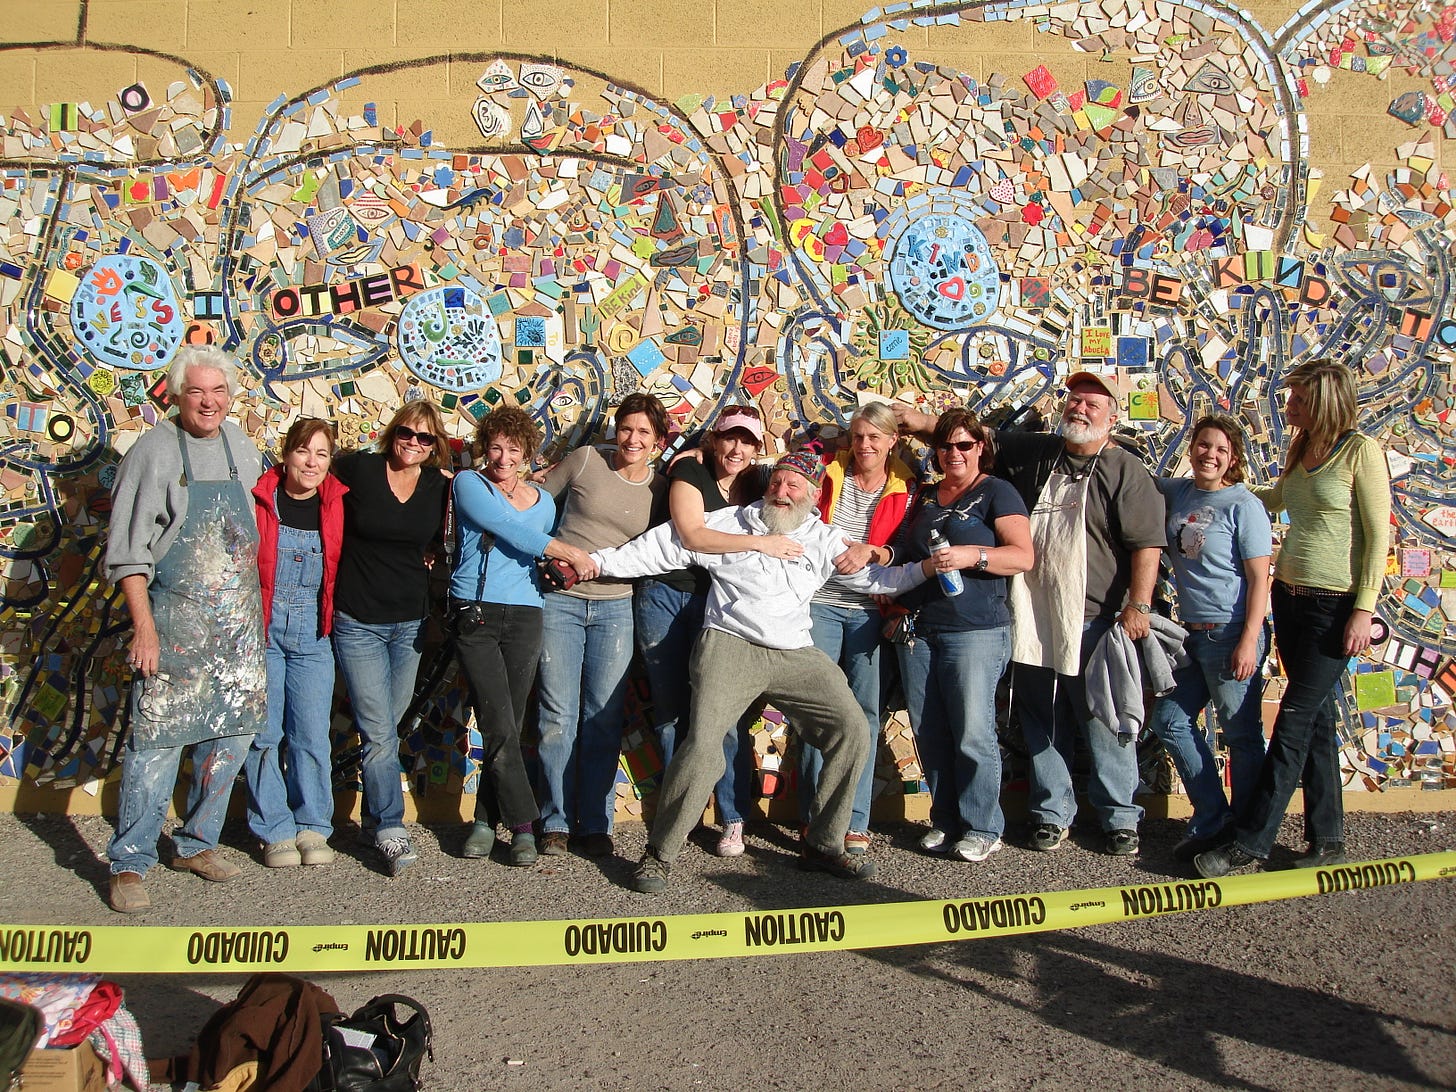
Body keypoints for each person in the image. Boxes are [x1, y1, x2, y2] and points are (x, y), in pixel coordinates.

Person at [581, 451, 936, 894]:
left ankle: (823, 844)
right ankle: (660, 853)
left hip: (794, 651)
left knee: (851, 729)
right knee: (704, 743)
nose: (781, 492)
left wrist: (927, 568)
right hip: (731, 644)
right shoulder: (730, 523)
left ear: (812, 494)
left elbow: (879, 580)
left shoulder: (825, 539)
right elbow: (658, 547)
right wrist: (596, 563)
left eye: (793, 485)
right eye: (776, 483)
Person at [894, 372, 1165, 856]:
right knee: (1040, 717)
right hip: (1034, 612)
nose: (1080, 409)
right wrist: (914, 420)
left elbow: (1147, 544)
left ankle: (1120, 816)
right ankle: (1050, 813)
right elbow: (973, 436)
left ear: (1112, 417)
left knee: (1100, 715)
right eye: (1075, 400)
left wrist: (1138, 605)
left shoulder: (1125, 470)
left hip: (1096, 616)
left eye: (1092, 404)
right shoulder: (1041, 451)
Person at [1197, 360, 1391, 877]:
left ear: (1324, 401)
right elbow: (1275, 500)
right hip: (1290, 598)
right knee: (1318, 720)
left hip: (1335, 606)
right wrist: (1217, 488)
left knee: (1293, 721)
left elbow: (1379, 536)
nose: (1289, 407)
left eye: (1299, 399)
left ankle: (1251, 841)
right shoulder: (1302, 448)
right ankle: (1328, 839)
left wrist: (1364, 608)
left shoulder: (1360, 451)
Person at [104, 346, 267, 913]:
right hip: (174, 624)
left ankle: (197, 843)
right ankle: (129, 861)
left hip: (238, 628)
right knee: (156, 742)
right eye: (197, 391)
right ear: (176, 395)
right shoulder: (151, 453)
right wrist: (143, 629)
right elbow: (129, 553)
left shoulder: (242, 447)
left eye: (218, 391)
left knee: (231, 739)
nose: (208, 401)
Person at [635, 404, 798, 857]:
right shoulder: (691, 471)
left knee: (723, 712)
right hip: (667, 595)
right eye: (730, 437)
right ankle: (678, 815)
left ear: (758, 448)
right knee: (672, 712)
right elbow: (693, 534)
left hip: (722, 603)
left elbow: (804, 472)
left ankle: (732, 817)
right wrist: (761, 543)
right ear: (714, 440)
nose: (737, 448)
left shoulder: (759, 482)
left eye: (748, 441)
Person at [450, 407, 598, 867]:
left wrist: (560, 564)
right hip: (476, 612)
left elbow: (535, 553)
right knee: (496, 722)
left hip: (527, 613)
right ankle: (524, 825)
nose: (503, 457)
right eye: (495, 447)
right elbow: (508, 530)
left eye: (513, 449)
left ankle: (483, 820)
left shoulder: (544, 503)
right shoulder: (470, 485)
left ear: (527, 452)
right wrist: (567, 550)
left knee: (510, 725)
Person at [892, 409, 1033, 862]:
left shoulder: (997, 491)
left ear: (980, 448)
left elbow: (1022, 556)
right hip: (920, 629)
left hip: (975, 629)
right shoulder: (926, 496)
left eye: (964, 445)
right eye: (946, 445)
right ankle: (946, 819)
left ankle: (982, 826)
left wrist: (974, 555)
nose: (954, 453)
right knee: (929, 730)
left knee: (972, 731)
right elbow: (905, 553)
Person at [536, 393, 669, 858]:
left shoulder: (660, 488)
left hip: (616, 608)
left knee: (603, 717)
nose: (632, 439)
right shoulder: (585, 460)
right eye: (626, 428)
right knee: (557, 715)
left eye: (643, 432)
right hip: (561, 603)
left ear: (657, 440)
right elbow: (535, 508)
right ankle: (554, 821)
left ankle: (595, 822)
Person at [331, 400, 451, 876]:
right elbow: (305, 474)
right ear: (392, 432)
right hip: (357, 619)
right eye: (406, 433)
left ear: (435, 445)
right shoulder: (358, 469)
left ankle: (371, 823)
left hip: (410, 625)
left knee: (388, 726)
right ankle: (389, 827)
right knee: (378, 728)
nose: (413, 443)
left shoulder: (439, 486)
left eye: (425, 438)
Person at [1149, 415, 1271, 859]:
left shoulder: (1243, 505)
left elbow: (1259, 580)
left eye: (1220, 449)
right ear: (1192, 447)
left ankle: (1246, 834)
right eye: (1203, 445)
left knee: (1240, 735)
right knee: (1169, 720)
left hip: (1232, 632)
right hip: (1193, 636)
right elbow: (1131, 479)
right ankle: (1214, 816)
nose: (1210, 455)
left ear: (1232, 458)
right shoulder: (1179, 492)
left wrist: (1248, 640)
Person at [800, 402, 916, 855]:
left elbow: (908, 547)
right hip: (821, 605)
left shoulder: (908, 486)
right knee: (817, 711)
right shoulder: (828, 471)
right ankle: (816, 817)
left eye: (874, 437)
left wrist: (877, 552)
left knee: (865, 712)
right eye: (858, 436)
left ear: (892, 441)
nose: (865, 445)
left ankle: (855, 820)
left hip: (872, 611)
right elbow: (786, 474)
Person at [245, 417, 348, 869]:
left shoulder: (338, 502)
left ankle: (312, 824)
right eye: (303, 451)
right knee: (265, 735)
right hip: (264, 631)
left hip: (313, 633)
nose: (311, 462)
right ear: (286, 455)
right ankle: (273, 828)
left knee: (310, 734)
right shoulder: (260, 498)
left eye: (322, 453)